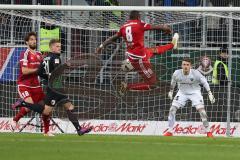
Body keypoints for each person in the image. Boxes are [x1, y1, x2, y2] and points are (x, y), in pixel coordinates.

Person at [12, 39, 93, 136]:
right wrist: (66, 66)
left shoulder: (45, 58)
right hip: (55, 88)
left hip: (55, 87)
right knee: (46, 111)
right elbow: (57, 71)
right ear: (52, 48)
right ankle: (24, 103)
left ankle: (79, 129)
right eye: (57, 46)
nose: (60, 48)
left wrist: (49, 77)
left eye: (60, 46)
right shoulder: (56, 58)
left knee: (69, 106)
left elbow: (39, 72)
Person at [96, 10, 179, 96]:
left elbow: (112, 38)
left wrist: (101, 46)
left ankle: (172, 45)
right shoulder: (139, 24)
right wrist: (165, 28)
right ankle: (126, 87)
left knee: (154, 50)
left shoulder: (123, 27)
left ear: (129, 18)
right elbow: (155, 27)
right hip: (139, 59)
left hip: (135, 54)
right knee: (153, 84)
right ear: (138, 17)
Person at [11, 32, 52, 136]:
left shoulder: (39, 55)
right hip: (24, 85)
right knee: (30, 107)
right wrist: (37, 69)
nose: (34, 41)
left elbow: (43, 70)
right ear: (27, 42)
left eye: (35, 39)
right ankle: (15, 120)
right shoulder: (25, 54)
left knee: (47, 108)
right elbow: (24, 71)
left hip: (36, 86)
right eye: (31, 39)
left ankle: (47, 132)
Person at [164, 58, 215, 137]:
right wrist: (171, 91)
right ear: (181, 65)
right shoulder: (177, 73)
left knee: (202, 112)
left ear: (190, 66)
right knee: (172, 109)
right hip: (182, 92)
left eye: (187, 65)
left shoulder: (196, 73)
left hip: (195, 92)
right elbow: (173, 82)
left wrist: (210, 93)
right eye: (184, 64)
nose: (185, 66)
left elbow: (204, 82)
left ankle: (208, 132)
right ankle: (170, 131)